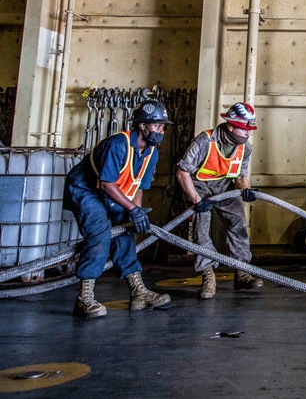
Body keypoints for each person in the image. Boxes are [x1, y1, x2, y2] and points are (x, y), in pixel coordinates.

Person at [63, 99, 173, 318]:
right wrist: (132, 208)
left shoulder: (152, 152)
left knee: (124, 232)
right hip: (87, 190)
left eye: (163, 126)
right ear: (142, 125)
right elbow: (105, 184)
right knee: (99, 234)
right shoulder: (119, 144)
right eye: (157, 126)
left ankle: (137, 292)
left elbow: (138, 185)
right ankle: (84, 298)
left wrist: (136, 213)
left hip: (115, 192)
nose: (161, 130)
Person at [176, 102, 263, 299]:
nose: (248, 134)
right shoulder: (205, 141)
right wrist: (196, 200)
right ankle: (208, 276)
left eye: (250, 130)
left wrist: (246, 189)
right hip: (198, 186)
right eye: (244, 129)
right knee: (201, 228)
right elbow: (183, 173)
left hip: (224, 187)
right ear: (230, 126)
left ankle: (241, 271)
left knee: (238, 223)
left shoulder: (245, 148)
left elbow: (240, 176)